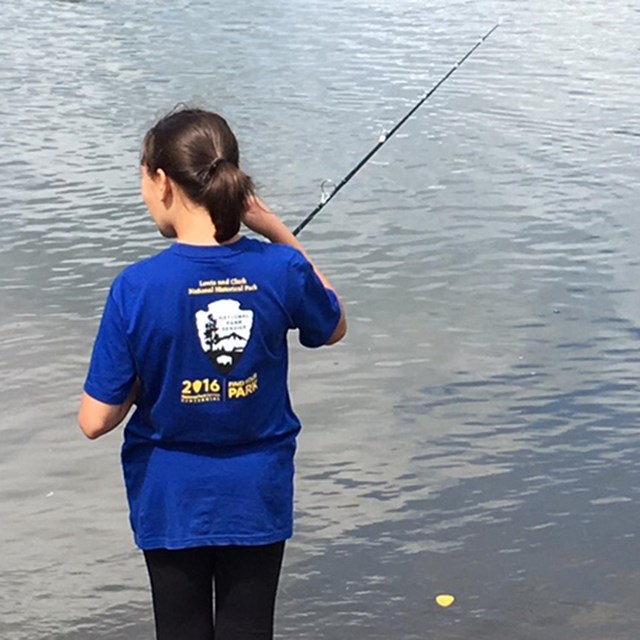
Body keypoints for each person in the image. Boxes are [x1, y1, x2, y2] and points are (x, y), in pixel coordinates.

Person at [78, 106, 346, 640]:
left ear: (163, 181)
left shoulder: (137, 287)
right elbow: (332, 323)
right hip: (256, 492)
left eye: (143, 178)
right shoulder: (281, 269)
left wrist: (144, 375)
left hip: (172, 498)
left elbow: (94, 419)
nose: (144, 193)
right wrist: (274, 229)